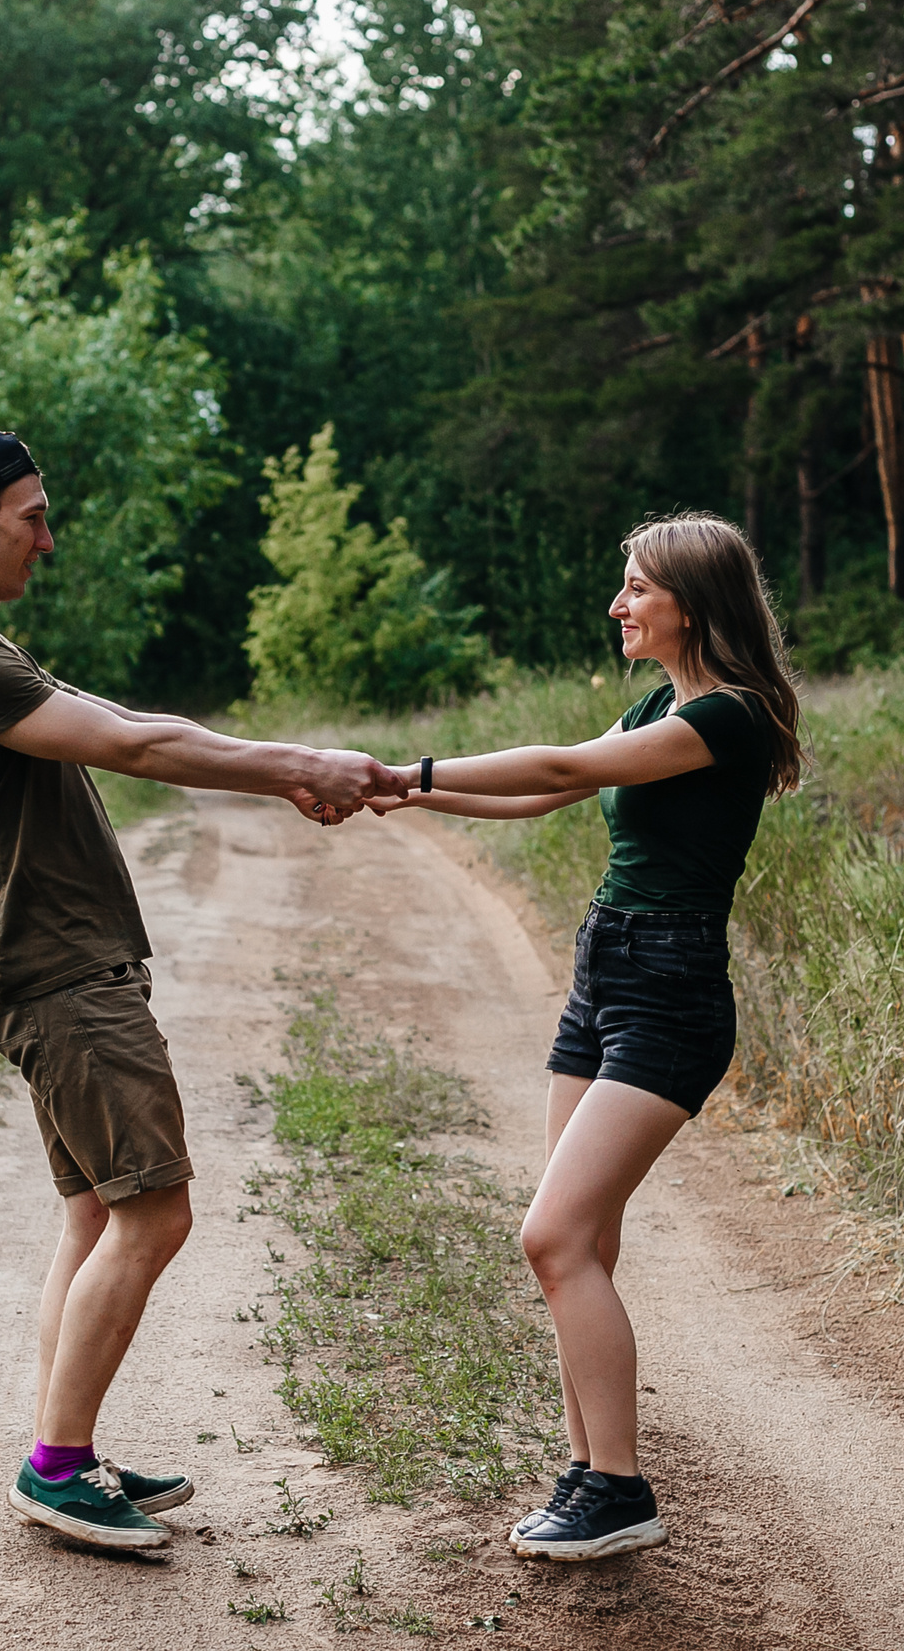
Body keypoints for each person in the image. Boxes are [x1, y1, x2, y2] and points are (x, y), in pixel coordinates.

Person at [0, 428, 403, 1552]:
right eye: (33, 514)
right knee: (154, 1209)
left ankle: (62, 1445)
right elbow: (138, 745)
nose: (47, 537)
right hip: (55, 975)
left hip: (54, 966)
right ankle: (55, 1465)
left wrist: (284, 761)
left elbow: (147, 725)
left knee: (94, 1211)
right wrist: (297, 766)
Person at [364, 512, 802, 1563]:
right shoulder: (657, 702)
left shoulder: (727, 716)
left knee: (550, 1235)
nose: (618, 604)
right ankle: (588, 1479)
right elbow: (556, 786)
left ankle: (618, 1482)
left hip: (671, 990)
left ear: (690, 602)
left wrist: (415, 769)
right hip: (603, 973)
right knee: (583, 1243)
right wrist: (397, 792)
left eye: (637, 588)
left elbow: (558, 756)